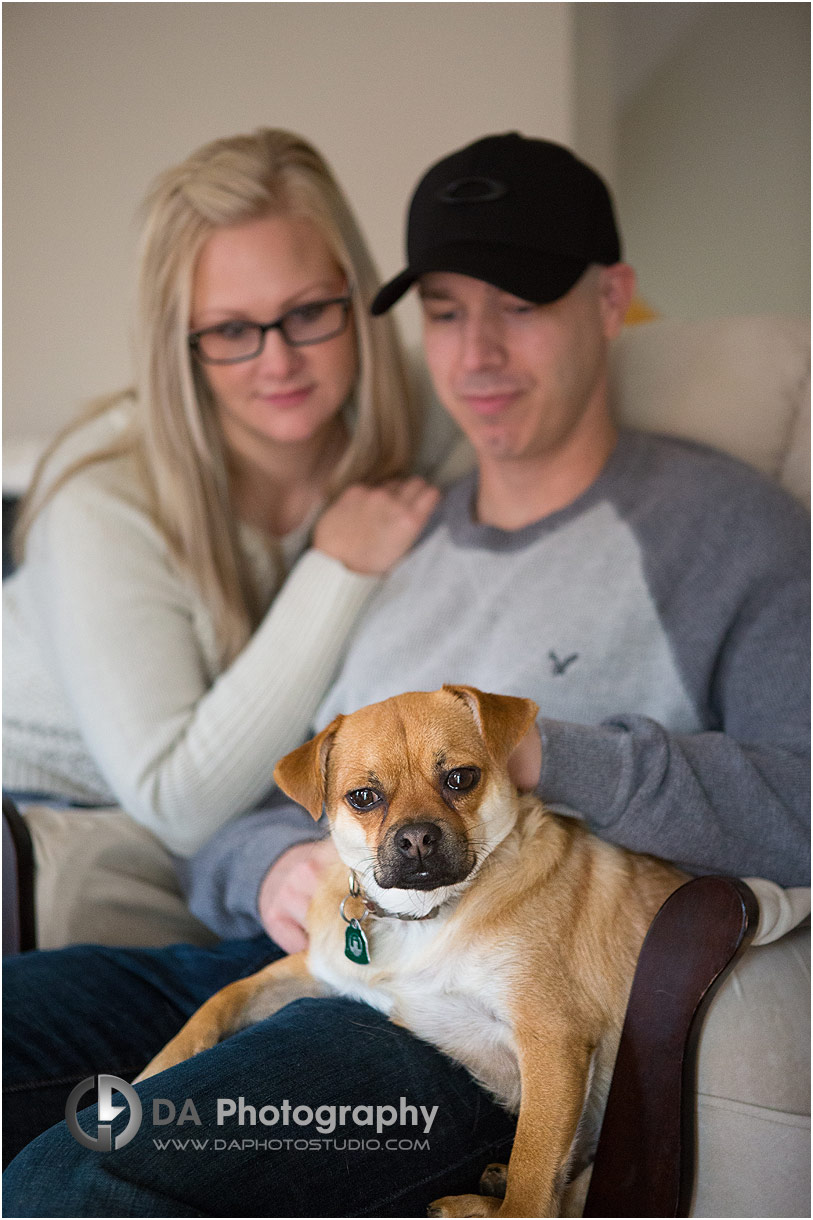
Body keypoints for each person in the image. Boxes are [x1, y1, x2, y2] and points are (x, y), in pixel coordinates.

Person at [4, 133, 809, 1217]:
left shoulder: (730, 531)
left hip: (449, 1030)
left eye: (518, 302)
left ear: (611, 299)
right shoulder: (389, 528)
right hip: (291, 951)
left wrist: (545, 755)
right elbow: (246, 793)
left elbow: (803, 800)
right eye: (443, 308)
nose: (476, 354)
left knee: (81, 1177)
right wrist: (269, 867)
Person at [2, 127, 440, 856]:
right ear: (181, 346)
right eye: (233, 328)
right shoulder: (102, 500)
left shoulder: (407, 426)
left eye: (306, 313)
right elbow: (178, 803)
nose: (280, 361)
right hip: (30, 815)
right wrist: (336, 570)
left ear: (355, 297)